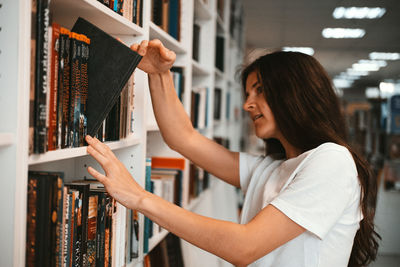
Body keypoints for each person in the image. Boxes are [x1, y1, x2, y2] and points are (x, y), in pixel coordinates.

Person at [85, 39, 380, 267]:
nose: (248, 105)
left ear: (296, 93)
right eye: (248, 94)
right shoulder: (275, 167)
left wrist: (139, 197)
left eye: (260, 90)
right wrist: (160, 74)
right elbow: (183, 138)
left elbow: (244, 247)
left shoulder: (332, 160)